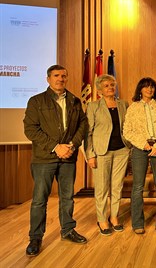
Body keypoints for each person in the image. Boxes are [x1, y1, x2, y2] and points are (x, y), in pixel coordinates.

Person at [23, 65, 88, 257]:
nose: (61, 79)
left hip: (68, 157)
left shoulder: (75, 100)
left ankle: (68, 230)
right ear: (48, 79)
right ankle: (35, 237)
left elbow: (82, 125)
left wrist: (72, 145)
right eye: (57, 76)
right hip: (44, 159)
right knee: (39, 200)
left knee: (67, 198)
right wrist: (55, 147)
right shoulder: (36, 101)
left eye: (64, 76)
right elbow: (31, 129)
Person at [123, 77, 156, 234]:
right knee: (138, 186)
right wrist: (143, 144)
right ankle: (138, 223)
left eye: (152, 87)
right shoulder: (133, 107)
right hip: (140, 147)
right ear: (140, 89)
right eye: (146, 87)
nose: (149, 90)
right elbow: (127, 131)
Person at [85, 74, 131, 235]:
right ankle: (102, 219)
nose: (110, 88)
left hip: (122, 151)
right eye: (106, 86)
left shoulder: (123, 104)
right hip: (101, 152)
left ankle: (114, 217)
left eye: (112, 85)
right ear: (99, 90)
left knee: (117, 187)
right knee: (102, 188)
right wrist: (90, 155)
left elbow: (128, 127)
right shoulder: (93, 106)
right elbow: (88, 133)